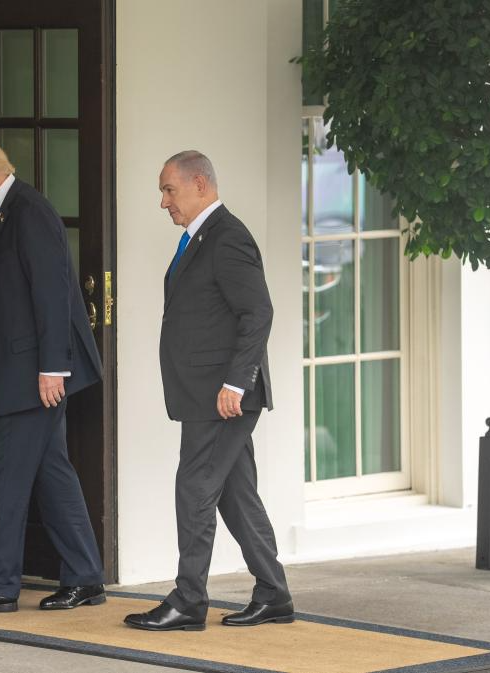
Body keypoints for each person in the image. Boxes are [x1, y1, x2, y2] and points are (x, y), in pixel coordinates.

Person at [0, 135, 106, 613]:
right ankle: (85, 577)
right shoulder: (4, 213)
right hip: (21, 373)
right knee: (52, 475)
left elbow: (52, 292)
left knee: (3, 477)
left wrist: (53, 368)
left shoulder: (29, 212)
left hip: (30, 377)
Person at [124, 151, 292, 631]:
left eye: (169, 190)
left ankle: (189, 601)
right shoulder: (200, 237)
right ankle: (274, 595)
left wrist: (236, 382)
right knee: (236, 494)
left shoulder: (227, 237)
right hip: (207, 393)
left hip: (222, 396)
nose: (163, 202)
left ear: (199, 184)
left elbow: (258, 312)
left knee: (195, 487)